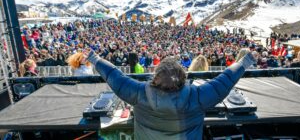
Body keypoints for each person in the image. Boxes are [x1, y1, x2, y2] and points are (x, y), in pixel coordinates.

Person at [84, 49, 256, 140]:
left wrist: (95, 59)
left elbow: (114, 75)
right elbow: (226, 79)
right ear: (183, 76)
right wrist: (246, 60)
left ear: (155, 76)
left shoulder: (138, 93)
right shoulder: (197, 96)